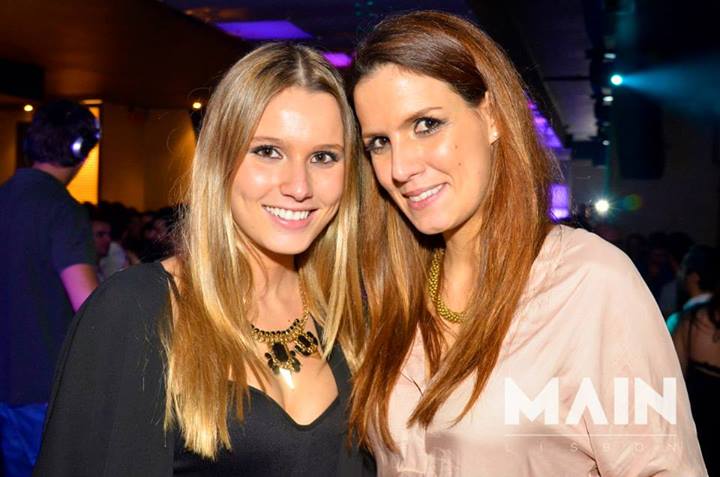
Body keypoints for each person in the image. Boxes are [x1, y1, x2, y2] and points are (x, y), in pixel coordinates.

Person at [348, 11, 706, 476]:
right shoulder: (394, 291)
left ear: (492, 116)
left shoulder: (589, 282)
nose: (400, 167)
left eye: (426, 125)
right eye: (379, 142)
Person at [34, 43, 371, 476]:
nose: (299, 186)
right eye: (268, 151)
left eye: (324, 157)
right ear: (220, 159)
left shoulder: (352, 314)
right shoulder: (137, 310)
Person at [0, 100, 99, 477]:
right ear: (80, 149)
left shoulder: (5, 196)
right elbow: (87, 304)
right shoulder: (61, 209)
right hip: (44, 386)